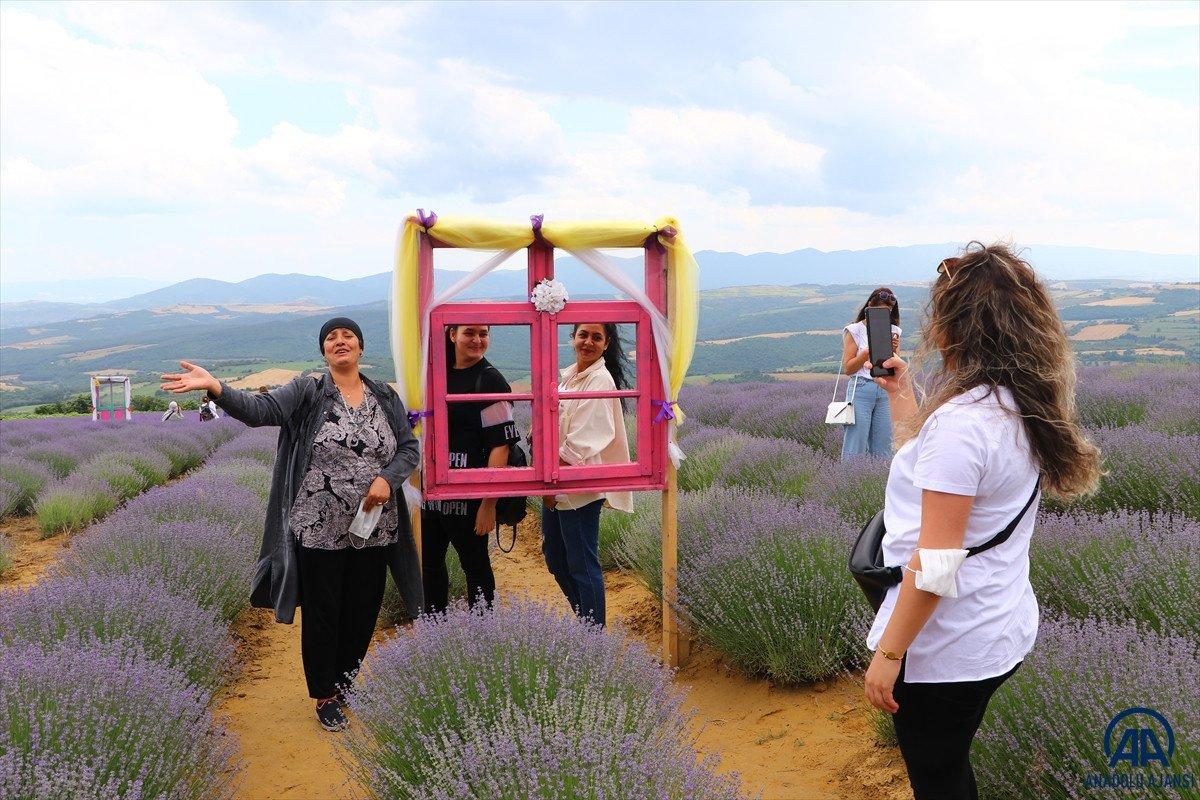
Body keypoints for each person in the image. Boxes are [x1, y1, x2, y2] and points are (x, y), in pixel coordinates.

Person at [862, 244, 1101, 800]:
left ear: (953, 328)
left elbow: (938, 565)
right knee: (950, 762)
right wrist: (902, 397)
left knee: (939, 776)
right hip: (999, 623)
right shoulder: (1019, 401)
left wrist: (889, 655)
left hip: (946, 646)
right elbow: (936, 470)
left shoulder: (962, 423)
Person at [161, 316, 422, 733]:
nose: (340, 341)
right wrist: (216, 388)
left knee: (363, 609)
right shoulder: (309, 391)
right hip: (317, 525)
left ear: (360, 347)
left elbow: (409, 449)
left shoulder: (384, 397)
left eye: (348, 336)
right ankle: (326, 693)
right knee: (324, 611)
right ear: (324, 352)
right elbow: (261, 410)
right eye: (331, 338)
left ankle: (348, 681)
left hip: (373, 527)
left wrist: (386, 479)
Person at [421, 324, 520, 614]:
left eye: (483, 334)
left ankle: (483, 635)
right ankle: (434, 632)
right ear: (452, 335)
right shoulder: (434, 372)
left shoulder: (490, 381)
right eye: (469, 333)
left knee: (475, 565)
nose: (477, 340)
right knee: (429, 564)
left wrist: (488, 503)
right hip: (433, 490)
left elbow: (500, 446)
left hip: (470, 492)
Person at [542, 323, 633, 626]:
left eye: (597, 337)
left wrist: (553, 485)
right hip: (558, 481)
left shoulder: (600, 380)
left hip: (577, 487)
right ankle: (587, 625)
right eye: (583, 335)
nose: (588, 342)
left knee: (581, 564)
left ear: (606, 344)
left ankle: (593, 637)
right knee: (556, 559)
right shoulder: (572, 377)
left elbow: (582, 440)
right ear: (573, 338)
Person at [840, 287, 901, 458]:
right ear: (869, 307)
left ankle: (877, 482)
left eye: (888, 311)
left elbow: (896, 369)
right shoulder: (854, 330)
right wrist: (867, 352)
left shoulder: (894, 331)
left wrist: (894, 352)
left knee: (884, 447)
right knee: (855, 444)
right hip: (861, 388)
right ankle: (849, 482)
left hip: (884, 390)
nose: (885, 315)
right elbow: (848, 368)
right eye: (880, 310)